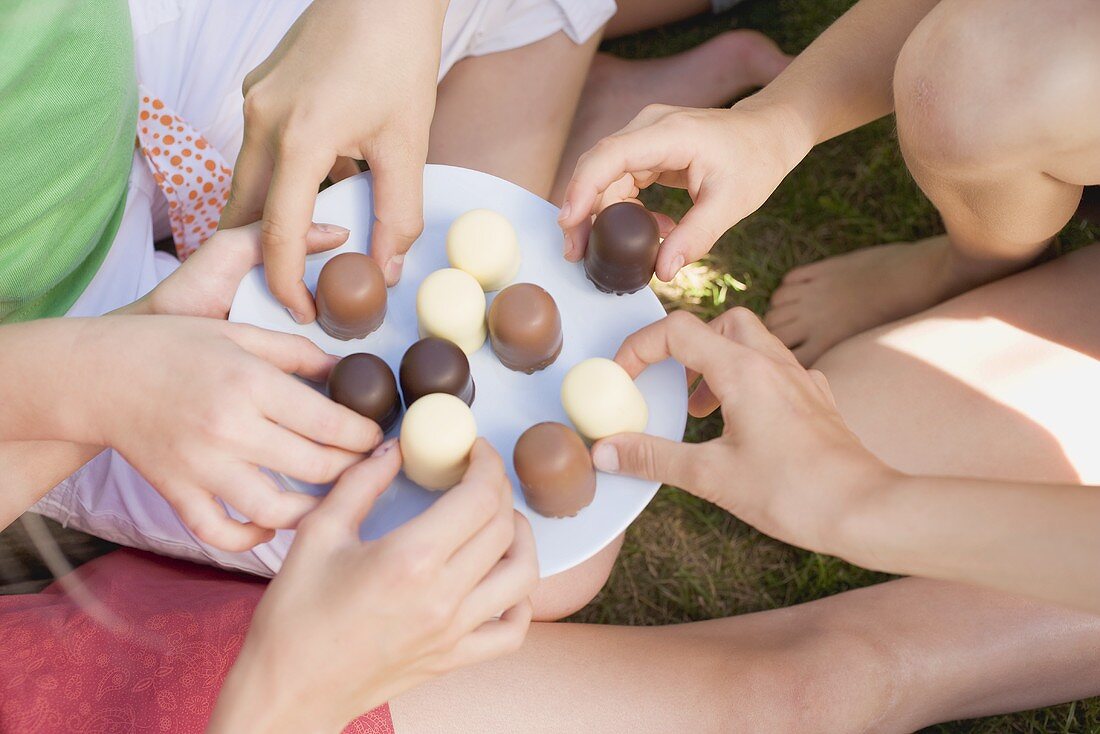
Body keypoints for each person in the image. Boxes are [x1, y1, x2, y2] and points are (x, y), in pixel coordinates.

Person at [5, 0, 790, 621]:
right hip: (52, 344)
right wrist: (102, 379)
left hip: (115, 59)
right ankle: (570, 116)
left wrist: (384, 10)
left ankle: (581, 106)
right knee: (529, 553)